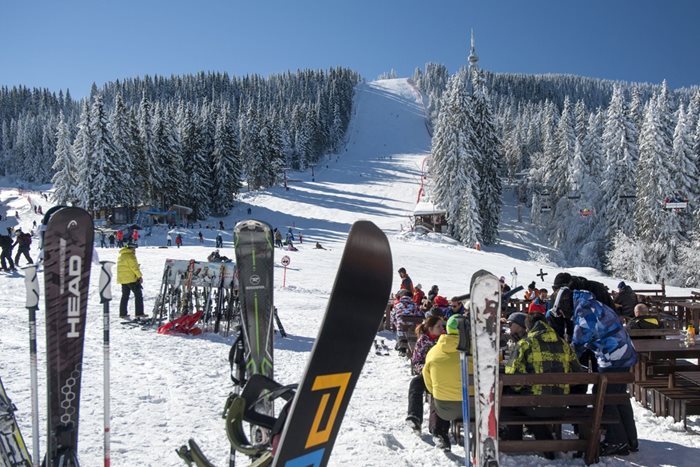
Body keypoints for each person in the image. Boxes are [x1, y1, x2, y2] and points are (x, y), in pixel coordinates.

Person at [504, 313, 582, 459]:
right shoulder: (563, 343)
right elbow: (577, 373)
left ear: (528, 326)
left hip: (534, 405)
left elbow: (512, 377)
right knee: (532, 401)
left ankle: (514, 439)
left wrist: (520, 390)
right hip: (560, 405)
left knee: (509, 396)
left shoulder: (526, 343)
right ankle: (546, 446)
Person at [572, 290, 638, 455]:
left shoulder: (584, 309)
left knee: (604, 396)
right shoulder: (596, 304)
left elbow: (580, 337)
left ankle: (617, 441)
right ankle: (630, 439)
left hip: (613, 357)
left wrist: (571, 354)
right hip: (623, 353)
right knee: (619, 397)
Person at [422, 314, 467, 451]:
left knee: (437, 393)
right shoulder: (476, 351)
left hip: (444, 409)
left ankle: (440, 433)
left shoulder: (434, 351)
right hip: (473, 409)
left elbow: (428, 381)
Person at [406, 316, 445, 434]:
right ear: (430, 328)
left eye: (442, 325)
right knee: (415, 384)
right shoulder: (423, 341)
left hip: (444, 373)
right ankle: (415, 417)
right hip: (428, 373)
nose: (442, 328)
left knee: (437, 392)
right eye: (438, 326)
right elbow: (416, 361)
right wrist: (427, 371)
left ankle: (437, 430)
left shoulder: (445, 339)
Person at [117, 242, 145, 318]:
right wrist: (140, 276)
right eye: (134, 248)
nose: (135, 250)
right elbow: (134, 268)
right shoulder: (130, 256)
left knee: (125, 296)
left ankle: (122, 313)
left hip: (123, 279)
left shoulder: (121, 255)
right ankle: (139, 313)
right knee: (138, 295)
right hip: (131, 279)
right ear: (131, 248)